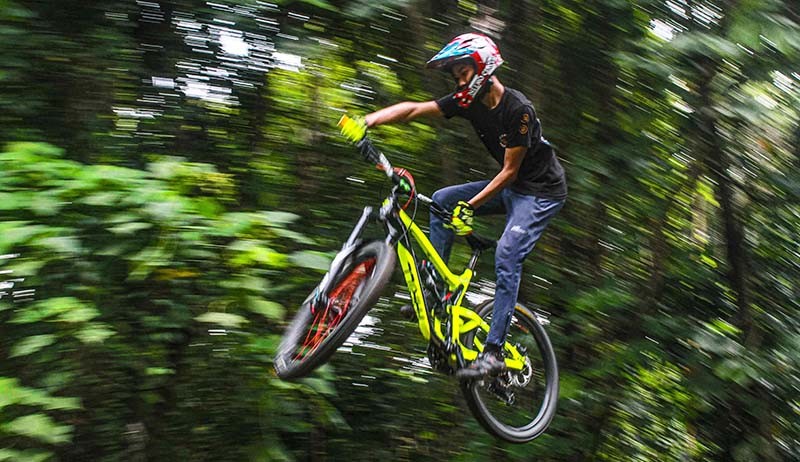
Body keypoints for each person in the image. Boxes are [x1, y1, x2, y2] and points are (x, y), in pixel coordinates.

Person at [341, 33, 567, 380]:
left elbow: (509, 172)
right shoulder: (467, 101)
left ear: (484, 68)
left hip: (540, 192)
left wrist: (472, 206)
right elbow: (415, 110)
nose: (460, 80)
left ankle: (494, 354)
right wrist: (367, 121)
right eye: (456, 75)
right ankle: (437, 289)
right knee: (444, 200)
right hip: (512, 187)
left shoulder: (518, 110)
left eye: (464, 72)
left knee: (507, 254)